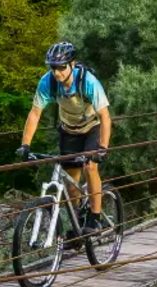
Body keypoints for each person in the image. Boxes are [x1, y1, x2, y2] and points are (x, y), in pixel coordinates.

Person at [17, 41, 112, 224]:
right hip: (69, 129)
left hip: (92, 127)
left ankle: (95, 217)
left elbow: (105, 116)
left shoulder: (88, 81)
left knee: (90, 166)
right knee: (71, 181)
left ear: (72, 64)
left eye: (61, 68)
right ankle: (75, 222)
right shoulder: (48, 82)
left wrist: (103, 148)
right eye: (53, 68)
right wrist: (25, 145)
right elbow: (35, 113)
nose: (57, 73)